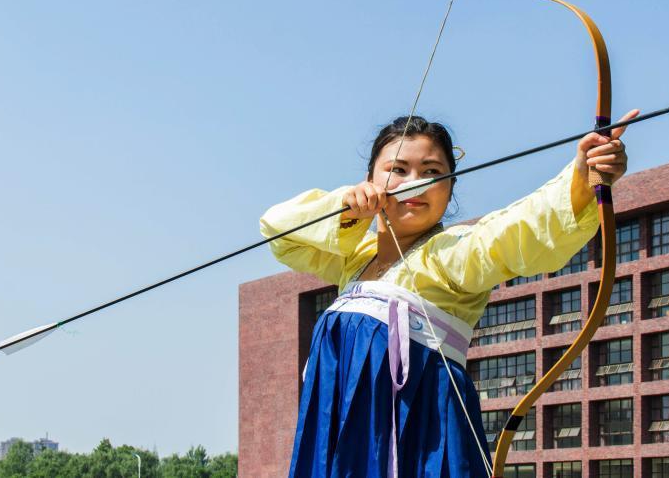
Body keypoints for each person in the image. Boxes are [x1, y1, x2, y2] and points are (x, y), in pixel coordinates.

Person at [259, 112, 635, 477]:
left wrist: (583, 179)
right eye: (398, 169)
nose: (415, 183)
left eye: (432, 172)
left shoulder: (452, 251)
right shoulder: (353, 259)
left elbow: (514, 231)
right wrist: (344, 208)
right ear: (369, 180)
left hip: (423, 438)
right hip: (342, 444)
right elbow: (278, 231)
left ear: (451, 186)